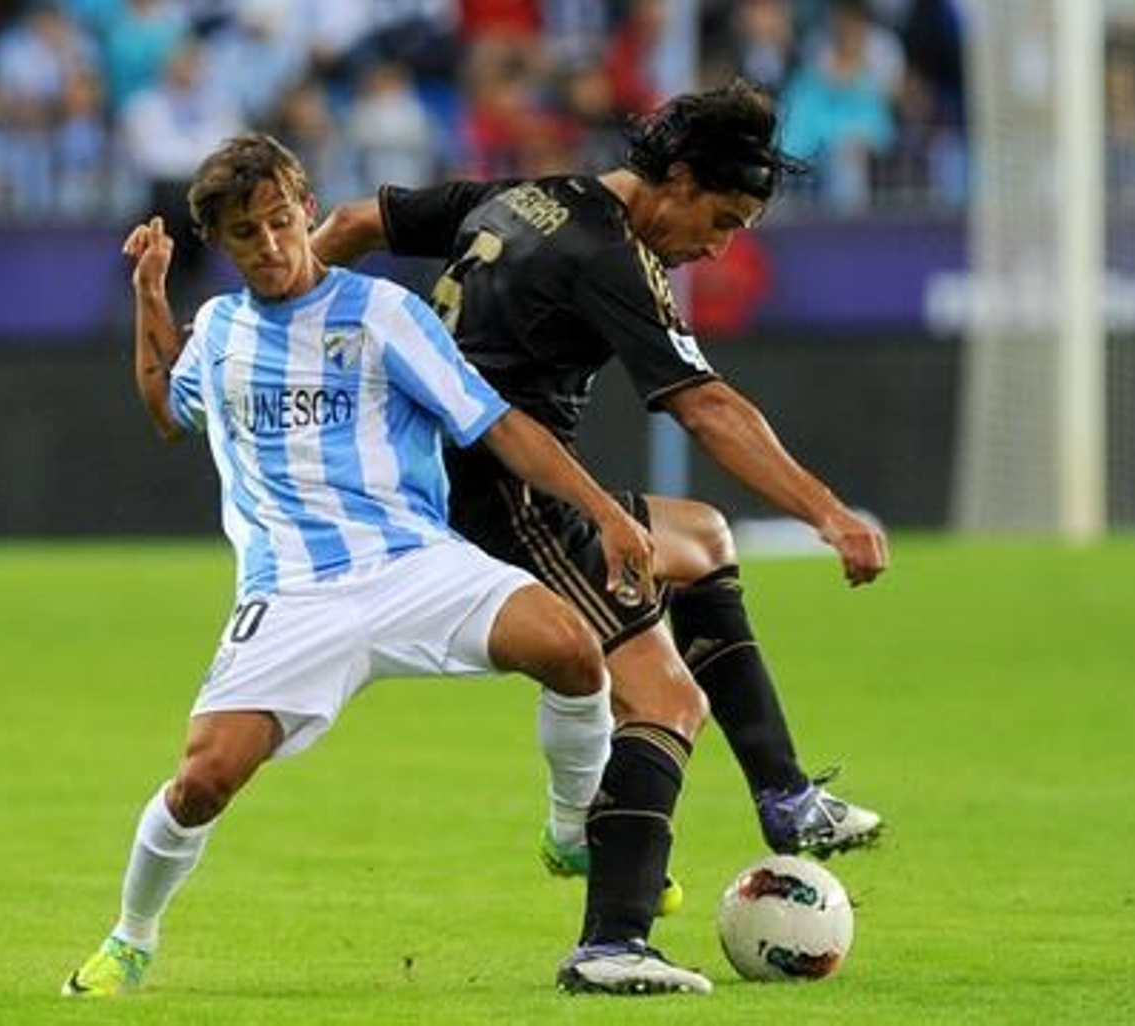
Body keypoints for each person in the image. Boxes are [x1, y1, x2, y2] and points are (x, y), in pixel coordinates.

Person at [62, 134, 712, 998]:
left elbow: (498, 424)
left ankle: (568, 830)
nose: (271, 245)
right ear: (219, 242)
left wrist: (603, 512)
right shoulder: (217, 332)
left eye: (281, 221)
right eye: (246, 233)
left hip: (414, 565)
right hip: (293, 594)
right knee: (203, 780)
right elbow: (166, 410)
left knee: (570, 647)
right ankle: (130, 939)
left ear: (305, 207)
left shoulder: (383, 313)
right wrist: (150, 294)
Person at [312, 79, 888, 905]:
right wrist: (828, 514)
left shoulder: (527, 196)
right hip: (505, 496)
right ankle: (613, 939)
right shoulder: (610, 255)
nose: (718, 248)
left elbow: (349, 223)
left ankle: (785, 795)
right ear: (679, 179)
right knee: (664, 700)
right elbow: (706, 407)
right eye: (722, 220)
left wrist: (272, 320)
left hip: (446, 473)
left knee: (702, 539)